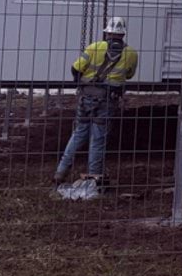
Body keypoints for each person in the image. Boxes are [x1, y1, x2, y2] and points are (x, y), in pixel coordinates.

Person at [54, 15, 138, 186]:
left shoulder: (94, 47)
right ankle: (93, 179)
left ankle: (60, 172)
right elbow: (129, 74)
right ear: (123, 34)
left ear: (107, 32)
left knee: (78, 134)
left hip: (86, 98)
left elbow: (76, 68)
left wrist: (81, 85)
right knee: (98, 139)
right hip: (107, 100)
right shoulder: (131, 53)